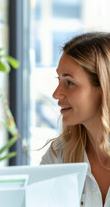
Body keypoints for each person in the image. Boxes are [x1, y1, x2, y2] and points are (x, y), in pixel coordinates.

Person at [41, 32, 110, 207]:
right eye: (59, 80)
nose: (56, 94)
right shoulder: (59, 155)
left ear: (103, 88)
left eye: (69, 83)